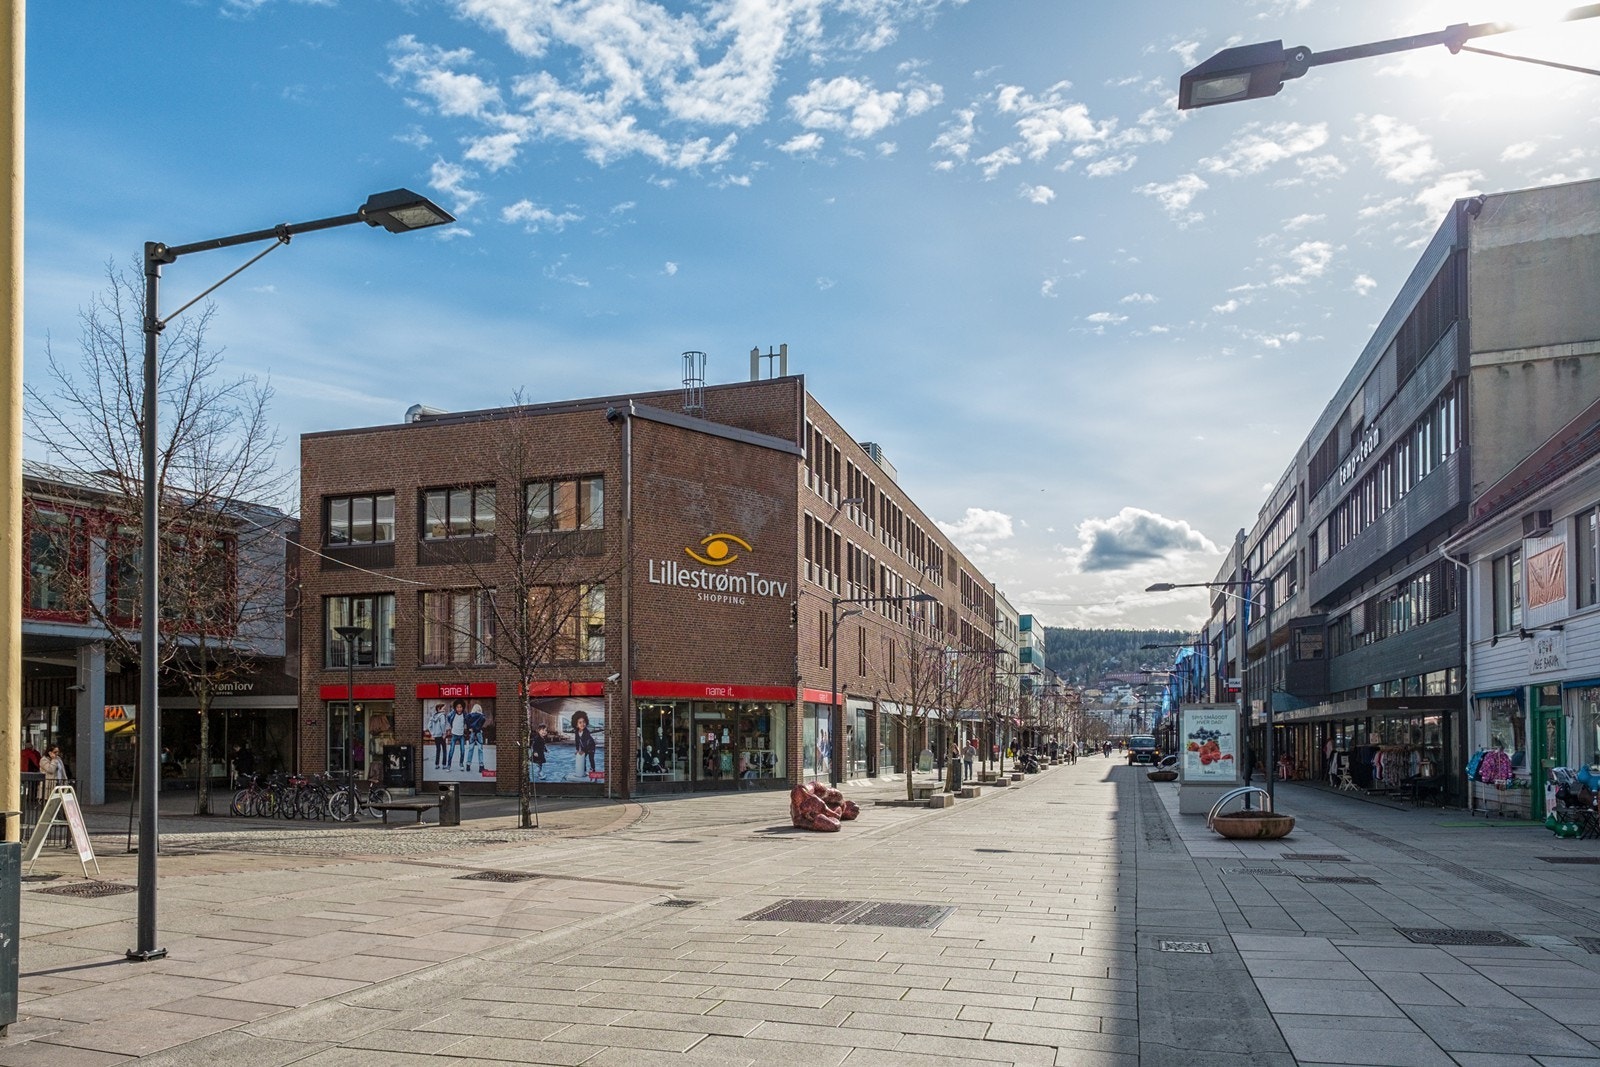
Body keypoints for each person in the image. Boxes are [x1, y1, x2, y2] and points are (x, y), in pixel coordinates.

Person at [572, 710, 597, 778]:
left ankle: (593, 770)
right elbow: (577, 741)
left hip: (591, 746)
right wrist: (578, 750)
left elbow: (587, 741)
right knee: (583, 758)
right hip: (584, 747)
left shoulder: (587, 732)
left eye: (584, 722)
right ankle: (584, 770)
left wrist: (582, 751)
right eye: (580, 722)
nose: (582, 724)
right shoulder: (576, 732)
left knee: (591, 758)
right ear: (576, 724)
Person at [464, 702, 487, 773]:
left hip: (472, 733)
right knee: (480, 750)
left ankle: (468, 765)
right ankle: (481, 767)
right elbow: (483, 721)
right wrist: (477, 728)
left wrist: (470, 728)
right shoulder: (481, 716)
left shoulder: (469, 715)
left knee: (471, 749)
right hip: (479, 733)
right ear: (480, 709)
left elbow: (466, 719)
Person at [446, 698, 468, 770]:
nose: (459, 709)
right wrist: (450, 726)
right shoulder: (453, 714)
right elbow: (448, 718)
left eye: (460, 707)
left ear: (463, 707)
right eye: (457, 707)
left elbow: (467, 721)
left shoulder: (464, 714)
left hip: (461, 735)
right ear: (455, 708)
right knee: (451, 750)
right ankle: (449, 765)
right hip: (454, 735)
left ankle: (461, 764)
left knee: (463, 750)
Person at [427, 703, 449, 769]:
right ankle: (444, 765)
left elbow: (429, 726)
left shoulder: (433, 716)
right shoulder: (442, 715)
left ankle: (437, 764)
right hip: (441, 735)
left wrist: (432, 733)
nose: (445, 710)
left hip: (436, 735)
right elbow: (442, 724)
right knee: (444, 749)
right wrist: (444, 733)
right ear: (439, 709)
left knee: (438, 749)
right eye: (443, 708)